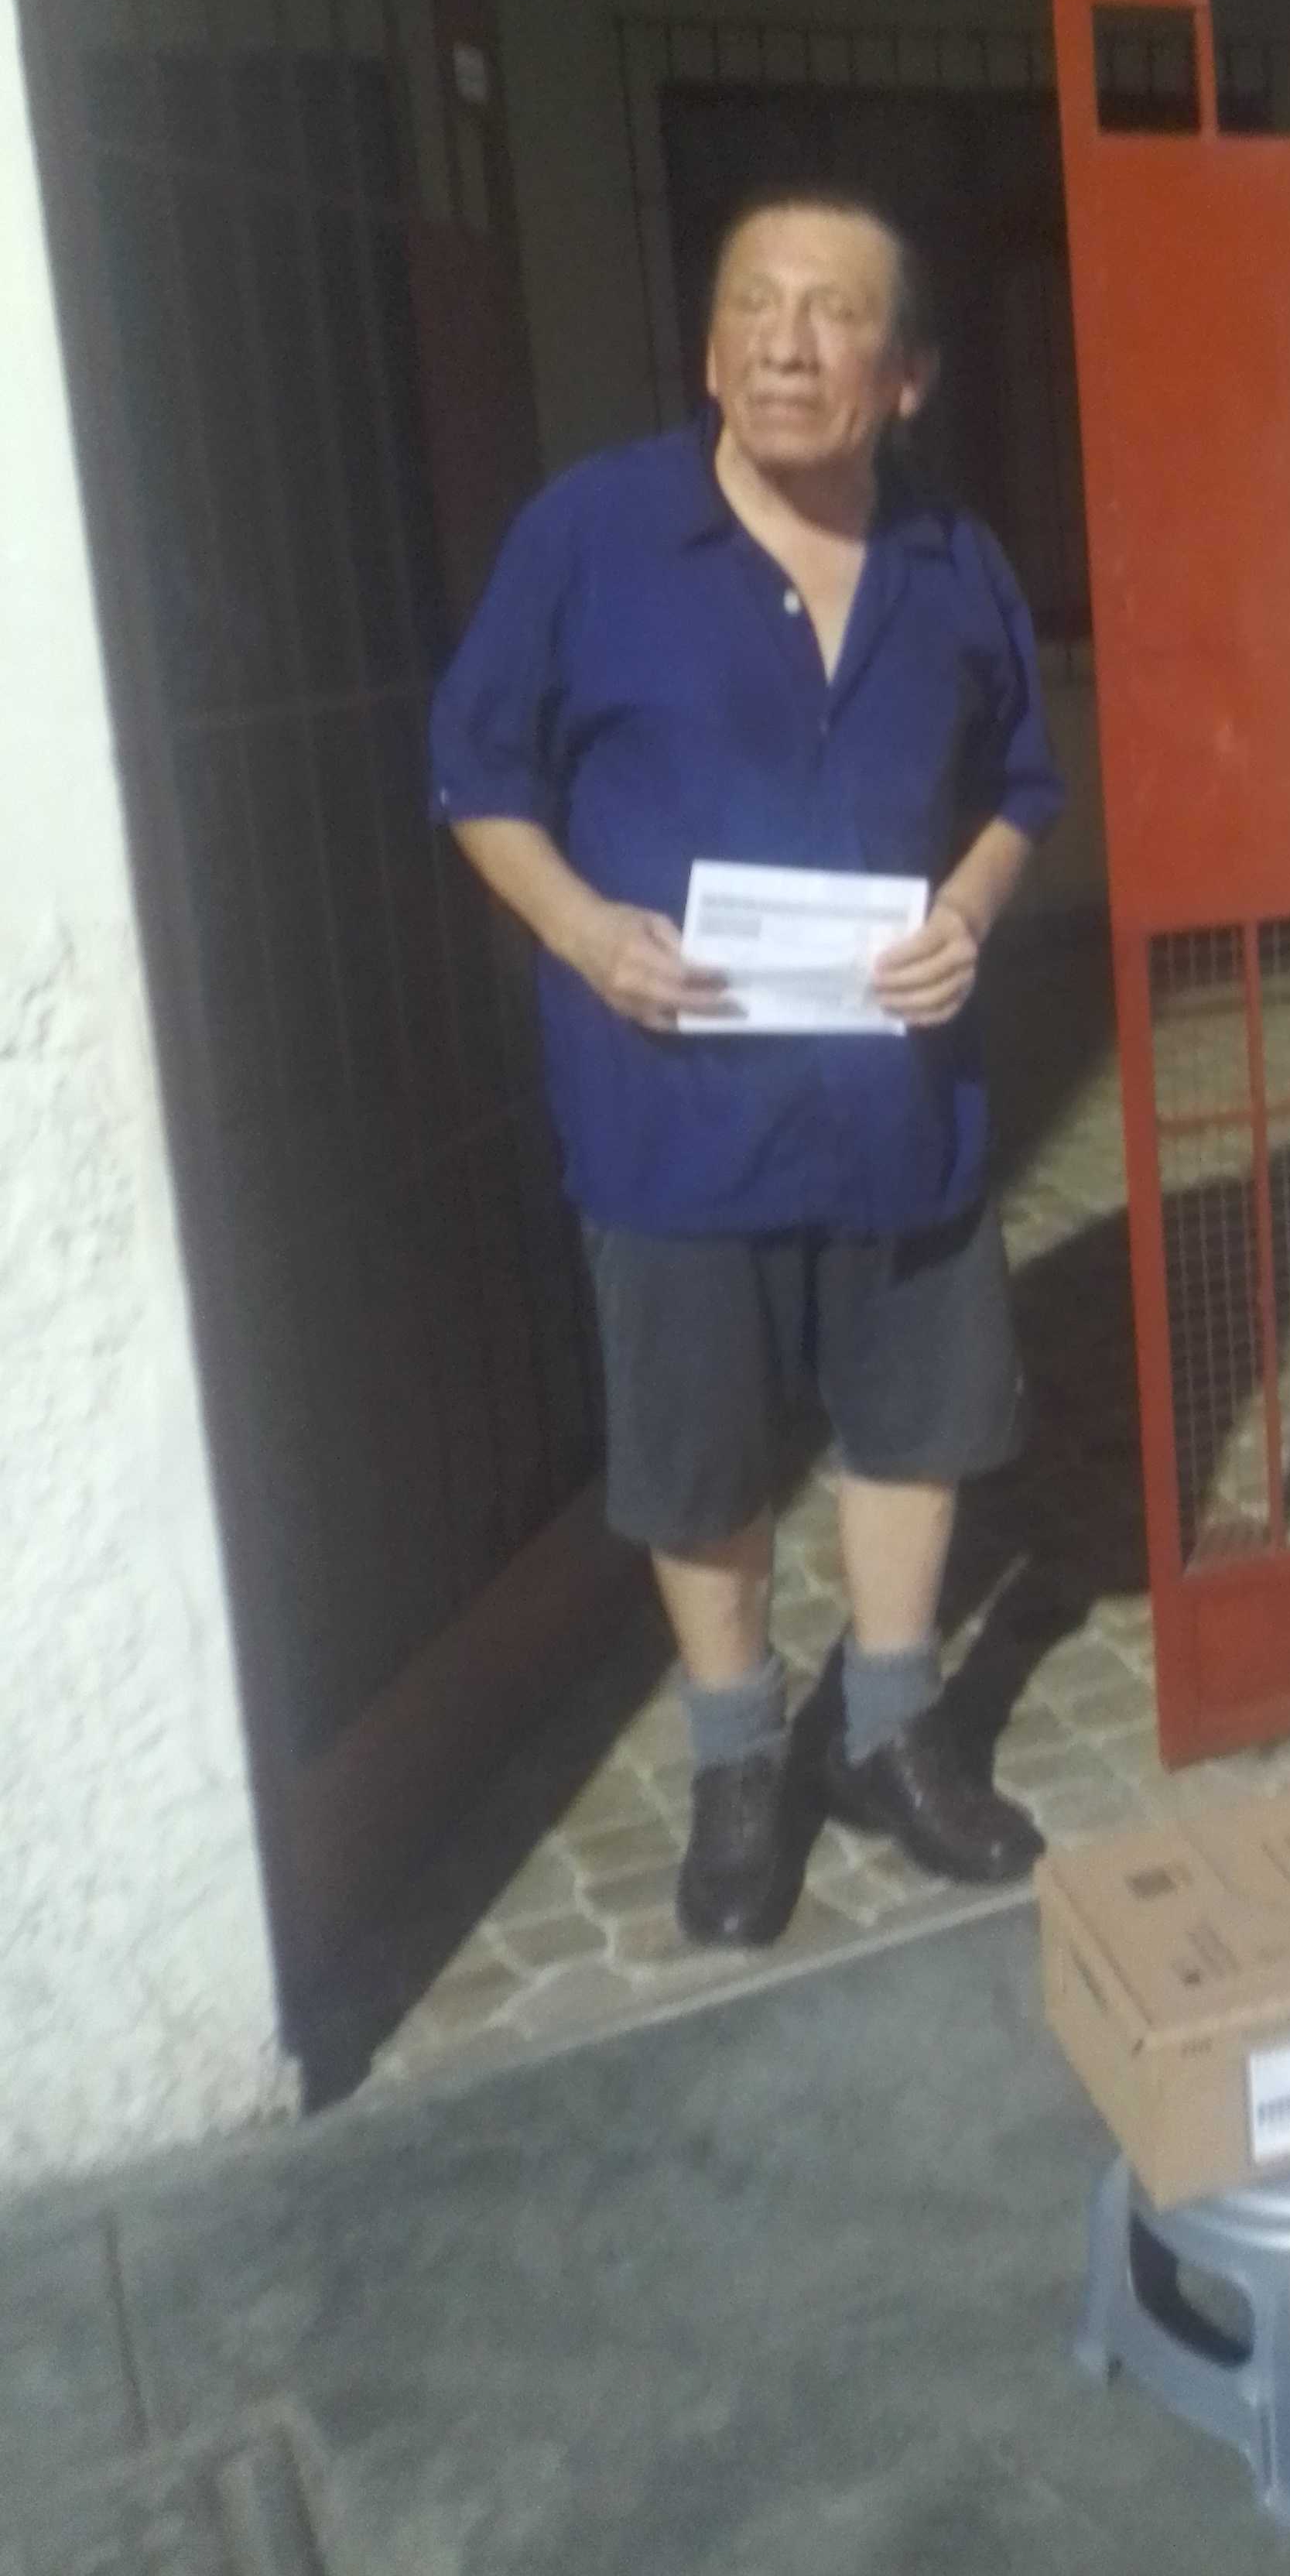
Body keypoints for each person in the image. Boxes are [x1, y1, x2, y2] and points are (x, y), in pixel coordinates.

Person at [429, 189, 1062, 1947]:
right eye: (754, 309)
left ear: (906, 373)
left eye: (834, 312)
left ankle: (888, 1732)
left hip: (893, 1097)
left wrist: (970, 912)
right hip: (675, 1102)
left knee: (915, 1421)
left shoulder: (955, 566)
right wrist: (582, 930)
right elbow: (476, 771)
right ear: (710, 356)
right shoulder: (593, 537)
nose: (788, 344)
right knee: (701, 1454)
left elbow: (1022, 789)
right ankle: (735, 1763)